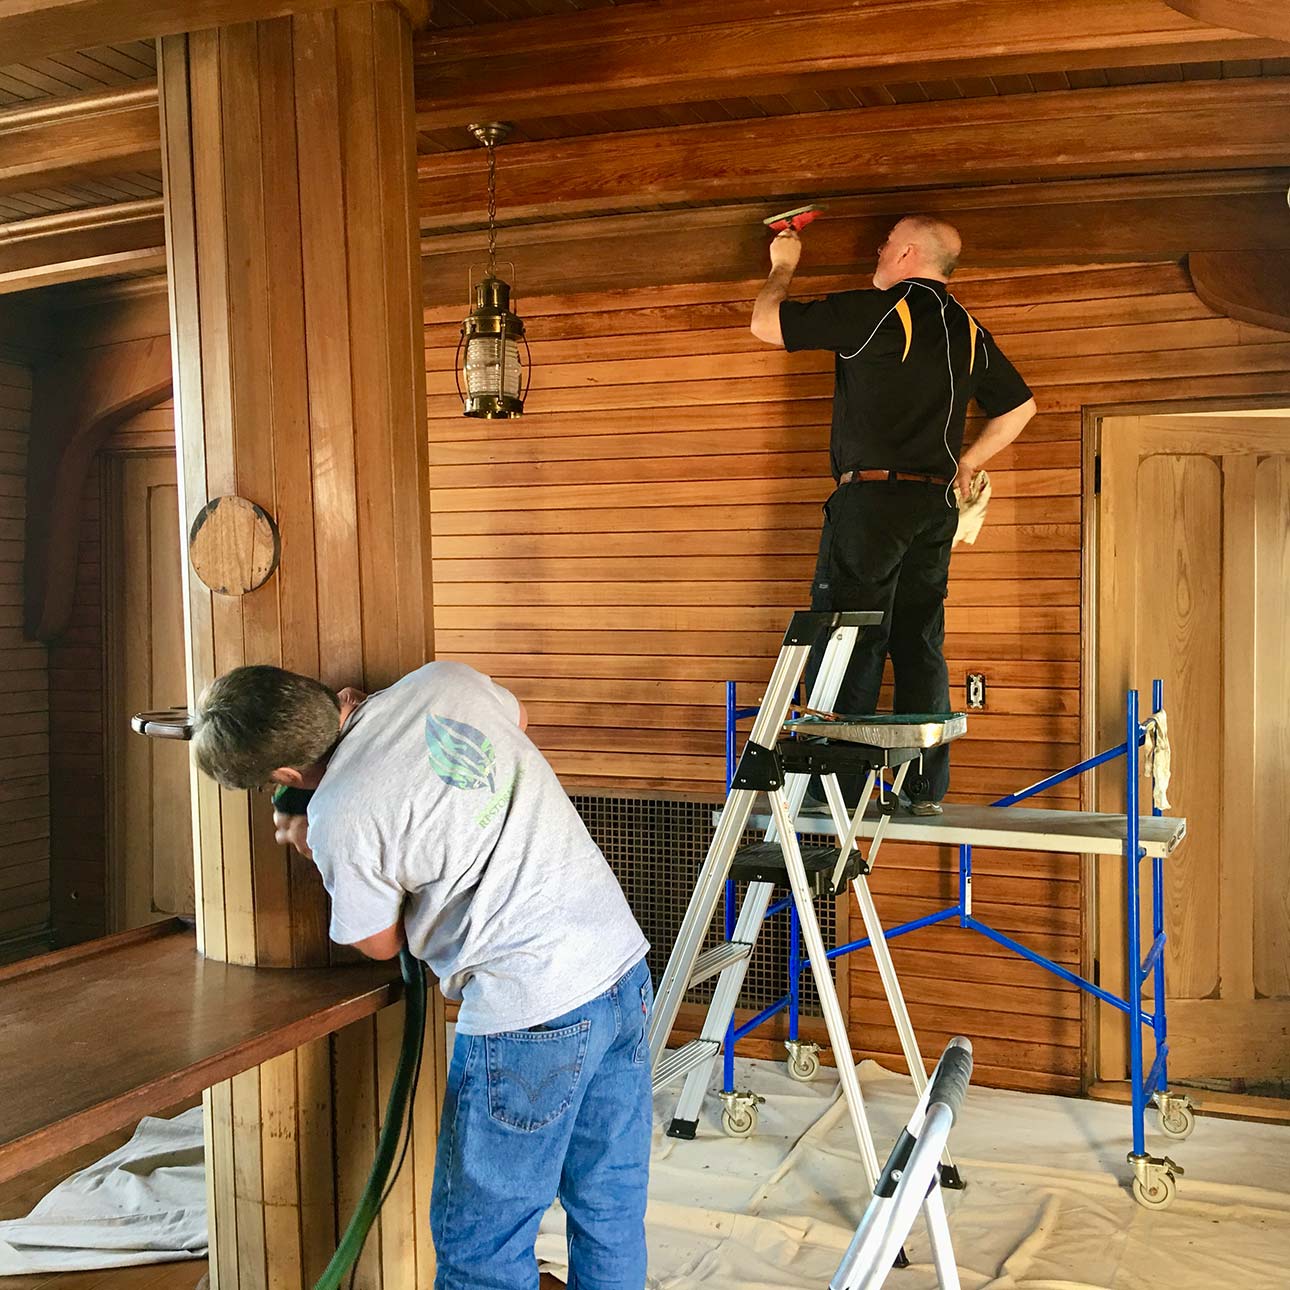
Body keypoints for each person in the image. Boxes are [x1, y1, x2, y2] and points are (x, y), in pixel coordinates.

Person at [190, 660, 652, 1290]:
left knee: (480, 1247)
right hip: (619, 966)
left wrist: (309, 843)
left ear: (285, 776)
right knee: (609, 1204)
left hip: (530, 1011)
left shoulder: (340, 817)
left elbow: (379, 943)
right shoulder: (442, 682)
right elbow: (517, 718)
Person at [750, 214, 1037, 813]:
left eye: (884, 246)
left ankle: (840, 792)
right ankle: (923, 788)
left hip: (872, 502)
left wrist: (783, 265)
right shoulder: (969, 330)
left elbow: (766, 324)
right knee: (918, 638)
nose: (877, 253)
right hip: (933, 505)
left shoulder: (881, 310)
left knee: (851, 635)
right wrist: (967, 460)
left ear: (907, 253)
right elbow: (1020, 409)